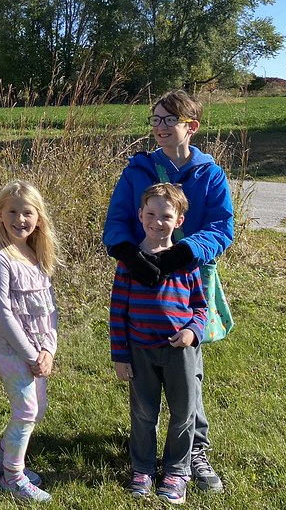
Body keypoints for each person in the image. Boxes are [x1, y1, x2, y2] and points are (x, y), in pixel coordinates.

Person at [103, 89, 233, 494]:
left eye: (167, 120)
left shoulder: (209, 173)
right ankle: (145, 460)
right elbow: (118, 219)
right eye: (154, 119)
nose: (159, 127)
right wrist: (128, 253)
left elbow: (221, 226)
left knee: (187, 370)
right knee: (150, 380)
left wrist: (184, 254)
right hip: (141, 278)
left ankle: (195, 451)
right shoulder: (138, 169)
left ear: (190, 127)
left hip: (188, 276)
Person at [110, 182, 207, 505]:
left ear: (179, 220)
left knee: (183, 413)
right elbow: (117, 313)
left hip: (180, 352)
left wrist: (192, 332)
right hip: (139, 351)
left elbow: (201, 308)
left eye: (166, 216)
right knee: (143, 412)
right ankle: (143, 468)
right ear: (140, 215)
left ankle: (177, 471)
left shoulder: (186, 261)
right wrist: (120, 356)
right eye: (150, 214)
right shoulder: (129, 262)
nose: (157, 221)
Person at [0, 180, 59, 504]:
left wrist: (48, 349)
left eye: (27, 213)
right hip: (8, 347)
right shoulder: (0, 259)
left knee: (37, 409)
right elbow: (3, 314)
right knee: (27, 409)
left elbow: (50, 309)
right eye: (12, 212)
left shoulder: (37, 256)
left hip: (37, 350)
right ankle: (12, 478)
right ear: (1, 215)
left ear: (38, 217)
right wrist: (31, 354)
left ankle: (2, 458)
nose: (20, 219)